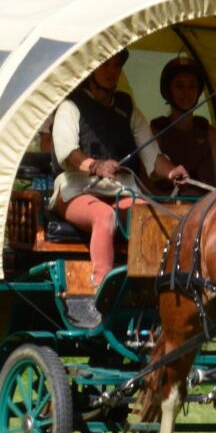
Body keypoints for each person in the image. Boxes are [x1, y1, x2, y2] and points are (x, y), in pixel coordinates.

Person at [50, 49, 188, 319]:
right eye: (104, 65)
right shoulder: (70, 106)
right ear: (90, 69)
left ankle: (157, 293)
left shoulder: (129, 112)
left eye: (116, 66)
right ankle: (101, 293)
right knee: (105, 216)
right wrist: (96, 166)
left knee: (151, 218)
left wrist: (171, 172)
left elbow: (153, 158)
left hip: (119, 190)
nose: (111, 71)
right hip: (77, 189)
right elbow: (67, 152)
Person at [150, 56, 216, 189]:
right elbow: (147, 185)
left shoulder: (210, 134)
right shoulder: (156, 131)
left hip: (205, 206)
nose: (186, 93)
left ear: (198, 91)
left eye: (192, 86)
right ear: (169, 90)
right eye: (179, 86)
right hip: (165, 205)